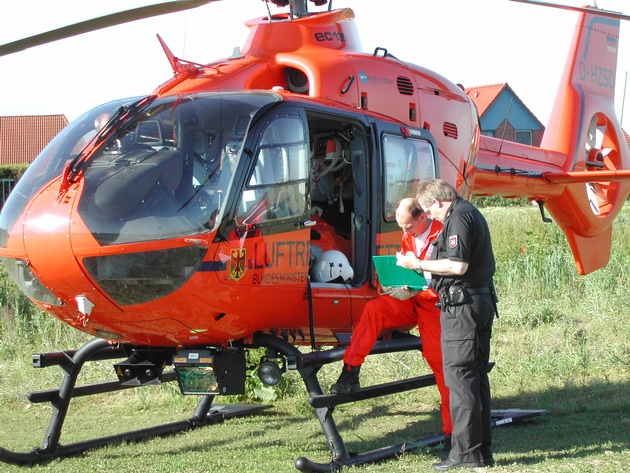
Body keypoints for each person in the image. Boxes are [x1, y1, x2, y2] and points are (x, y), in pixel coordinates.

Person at [330, 197, 453, 444]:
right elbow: (409, 270)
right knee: (374, 309)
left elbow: (446, 272)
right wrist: (393, 282)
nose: (404, 232)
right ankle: (350, 371)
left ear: (423, 217)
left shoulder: (444, 232)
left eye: (408, 227)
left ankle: (452, 430)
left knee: (438, 359)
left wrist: (416, 285)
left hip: (433, 303)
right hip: (411, 298)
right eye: (402, 227)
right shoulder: (409, 236)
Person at [397, 179, 497, 470]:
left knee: (460, 378)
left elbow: (457, 265)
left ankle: (465, 454)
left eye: (430, 211)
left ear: (437, 202)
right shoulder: (468, 213)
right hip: (476, 302)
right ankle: (480, 452)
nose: (431, 217)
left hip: (462, 308)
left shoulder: (459, 217)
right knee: (476, 377)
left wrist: (416, 264)